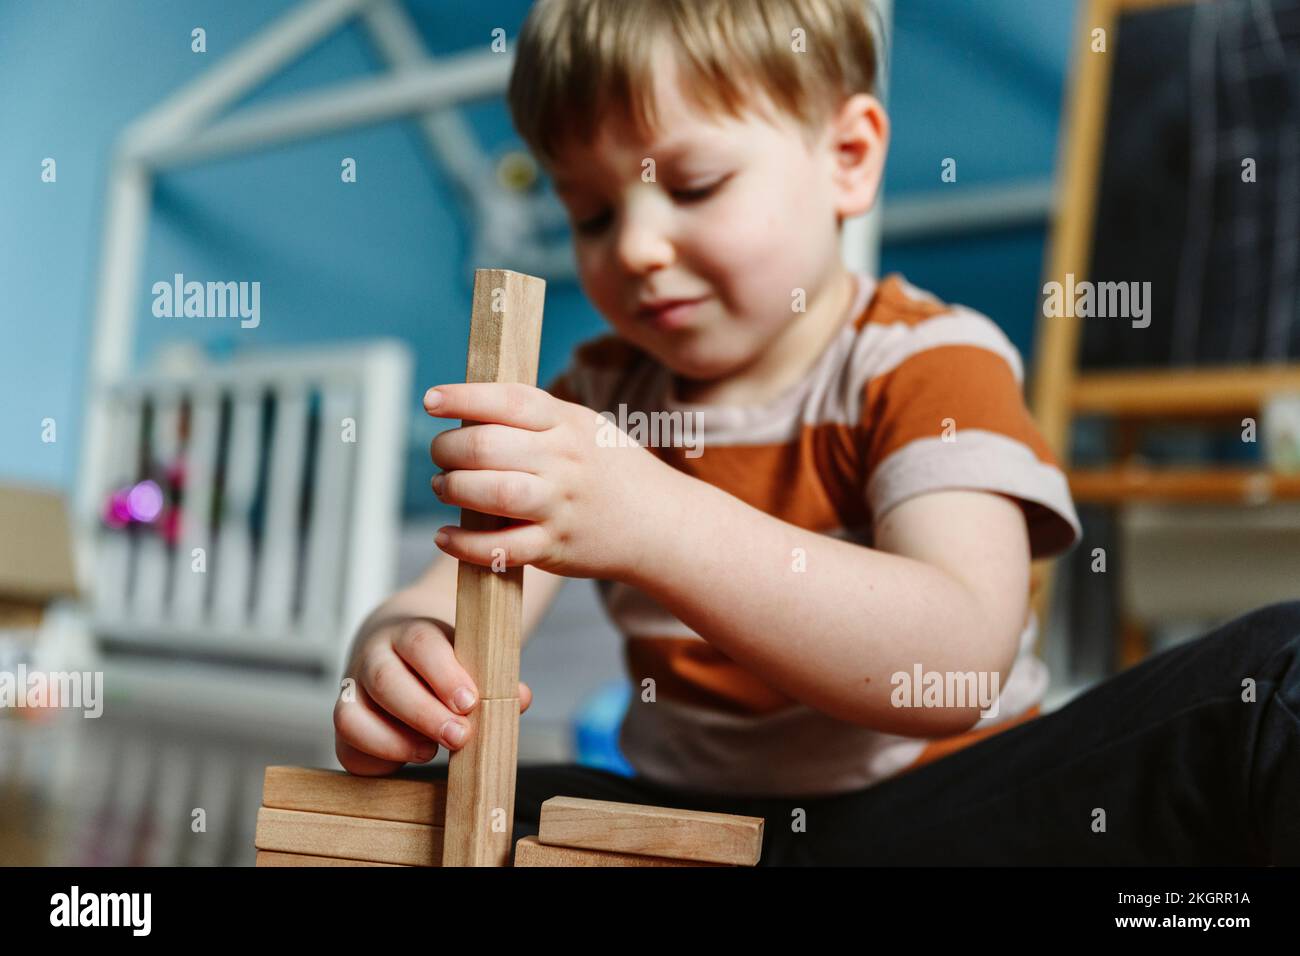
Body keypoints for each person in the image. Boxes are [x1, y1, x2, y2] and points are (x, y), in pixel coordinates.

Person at [332, 0, 1300, 864]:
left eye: (695, 184)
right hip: (691, 823)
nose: (632, 246)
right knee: (442, 817)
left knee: (1274, 675)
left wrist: (656, 518)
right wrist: (397, 651)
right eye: (588, 212)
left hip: (937, 811)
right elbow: (443, 601)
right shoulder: (600, 393)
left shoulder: (929, 360)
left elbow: (958, 663)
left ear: (849, 158)